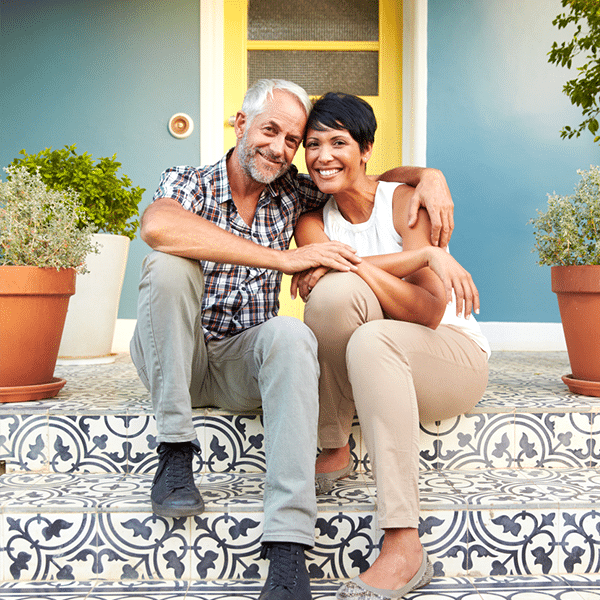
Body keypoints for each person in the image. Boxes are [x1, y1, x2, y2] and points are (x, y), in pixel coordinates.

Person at [130, 79, 456, 600]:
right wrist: (283, 260)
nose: (281, 149)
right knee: (168, 267)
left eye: (291, 139)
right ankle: (174, 451)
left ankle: (287, 555)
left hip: (243, 364)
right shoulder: (189, 180)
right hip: (178, 357)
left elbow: (359, 175)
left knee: (289, 333)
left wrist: (428, 176)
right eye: (270, 131)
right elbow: (158, 225)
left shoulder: (293, 191)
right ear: (241, 125)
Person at [292, 92, 491, 600]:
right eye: (313, 144)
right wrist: (420, 256)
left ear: (366, 149)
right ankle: (334, 443)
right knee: (336, 300)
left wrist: (343, 262)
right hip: (377, 357)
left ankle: (404, 544)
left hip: (449, 353)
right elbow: (325, 293)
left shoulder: (405, 201)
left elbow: (428, 310)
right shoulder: (312, 221)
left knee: (366, 326)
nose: (323, 155)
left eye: (339, 141)